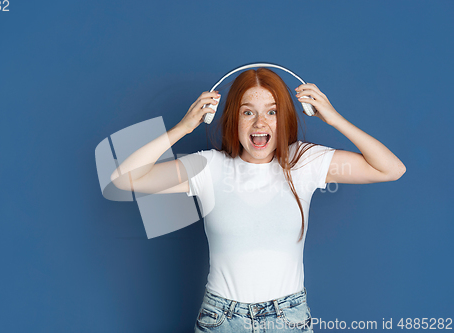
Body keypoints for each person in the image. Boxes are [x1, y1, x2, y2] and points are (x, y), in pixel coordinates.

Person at [110, 68, 406, 332]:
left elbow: (391, 169)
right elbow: (125, 179)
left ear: (285, 117)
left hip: (288, 319)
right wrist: (182, 128)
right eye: (248, 112)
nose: (259, 123)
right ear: (233, 118)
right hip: (221, 320)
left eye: (272, 112)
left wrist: (335, 119)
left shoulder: (304, 161)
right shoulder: (208, 167)